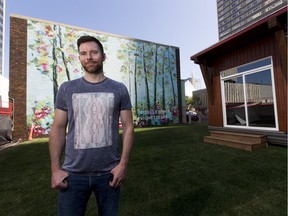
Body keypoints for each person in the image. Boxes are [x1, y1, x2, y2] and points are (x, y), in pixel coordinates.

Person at [49, 35, 134, 216]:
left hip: (109, 174)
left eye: (94, 52)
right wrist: (55, 169)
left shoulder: (119, 89)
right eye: (83, 53)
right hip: (73, 175)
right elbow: (58, 127)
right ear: (79, 58)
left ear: (103, 57)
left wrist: (123, 165)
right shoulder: (67, 88)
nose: (89, 57)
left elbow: (128, 127)